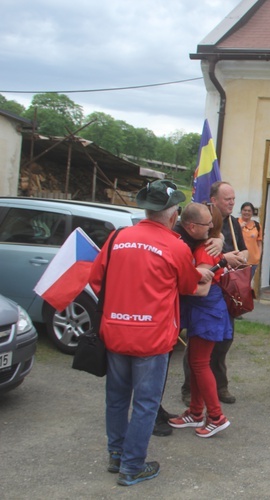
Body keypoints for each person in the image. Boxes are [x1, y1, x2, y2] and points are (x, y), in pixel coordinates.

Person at [89, 180, 207, 486]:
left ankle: (116, 455)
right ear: (172, 216)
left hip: (115, 331)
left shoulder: (118, 238)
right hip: (152, 337)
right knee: (145, 403)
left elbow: (95, 280)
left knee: (116, 399)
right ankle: (132, 466)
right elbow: (187, 286)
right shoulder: (175, 246)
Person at [181, 181, 248, 406]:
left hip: (226, 292)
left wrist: (240, 256)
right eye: (227, 199)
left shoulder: (232, 222)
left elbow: (243, 249)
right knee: (198, 346)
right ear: (214, 200)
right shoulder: (200, 221)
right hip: (206, 295)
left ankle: (220, 385)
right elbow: (197, 258)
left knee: (224, 341)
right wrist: (222, 257)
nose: (231, 203)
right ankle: (190, 390)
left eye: (233, 199)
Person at [169, 203, 232, 438]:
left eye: (210, 222)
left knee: (199, 363)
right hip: (202, 312)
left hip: (207, 311)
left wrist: (169, 286)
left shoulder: (206, 249)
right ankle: (196, 412)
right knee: (197, 362)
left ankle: (216, 416)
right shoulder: (207, 244)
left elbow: (202, 290)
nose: (210, 226)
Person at [239, 202, 263, 280]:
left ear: (252, 212)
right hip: (239, 260)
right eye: (244, 210)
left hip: (253, 261)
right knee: (237, 283)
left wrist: (258, 256)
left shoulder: (257, 225)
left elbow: (259, 243)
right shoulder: (235, 222)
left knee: (247, 284)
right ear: (241, 211)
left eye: (249, 211)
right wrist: (239, 228)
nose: (246, 212)